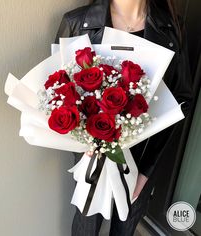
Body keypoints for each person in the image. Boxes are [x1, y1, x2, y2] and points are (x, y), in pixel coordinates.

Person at [55, 0, 193, 235]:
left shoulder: (171, 28)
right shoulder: (78, 23)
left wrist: (146, 170)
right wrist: (84, 144)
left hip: (141, 159)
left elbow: (181, 100)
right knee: (86, 227)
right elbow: (60, 93)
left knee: (126, 227)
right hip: (92, 160)